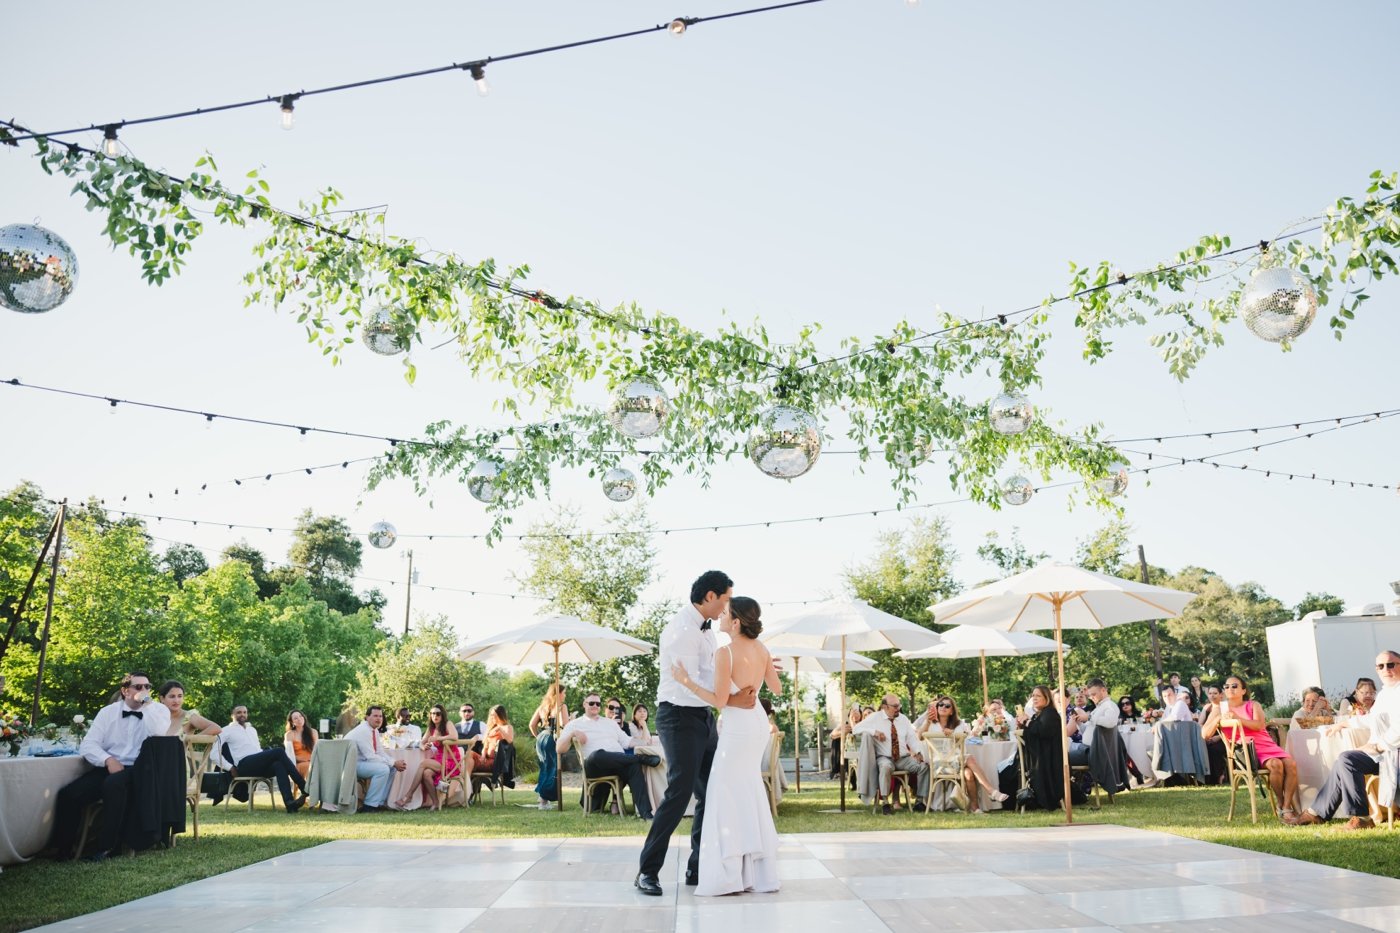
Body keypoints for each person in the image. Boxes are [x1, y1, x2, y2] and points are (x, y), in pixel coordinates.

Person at [637, 570, 758, 898]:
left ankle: (696, 867)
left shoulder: (706, 632)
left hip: (702, 718)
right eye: (726, 599)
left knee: (712, 791)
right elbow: (685, 684)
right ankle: (647, 872)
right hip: (677, 716)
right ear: (709, 596)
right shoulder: (680, 631)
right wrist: (730, 700)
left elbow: (710, 676)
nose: (727, 607)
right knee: (679, 792)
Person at [668, 595, 782, 897]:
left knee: (722, 794)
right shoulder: (763, 649)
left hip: (738, 728)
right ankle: (758, 874)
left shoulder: (725, 653)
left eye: (726, 613)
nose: (720, 616)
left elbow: (719, 702)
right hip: (757, 722)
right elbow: (777, 688)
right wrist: (765, 667)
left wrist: (685, 681)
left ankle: (730, 875)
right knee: (749, 790)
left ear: (735, 622)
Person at [49, 671, 172, 861]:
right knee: (69, 794)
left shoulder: (158, 710)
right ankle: (63, 849)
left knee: (113, 785)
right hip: (108, 766)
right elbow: (88, 744)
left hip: (140, 771)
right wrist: (107, 760)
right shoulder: (108, 712)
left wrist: (147, 704)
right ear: (124, 690)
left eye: (147, 687)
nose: (144, 690)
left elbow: (158, 731)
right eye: (138, 687)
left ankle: (106, 848)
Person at [1289, 650, 1400, 830]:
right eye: (1381, 666)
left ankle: (1356, 817)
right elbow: (1372, 719)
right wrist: (1343, 724)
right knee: (1345, 760)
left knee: (1347, 760)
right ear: (1377, 670)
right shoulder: (1385, 694)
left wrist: (1378, 746)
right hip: (1385, 753)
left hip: (1394, 754)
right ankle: (1322, 813)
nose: (1386, 669)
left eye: (1391, 664)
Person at [1202, 675, 1299, 821]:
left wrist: (1236, 718)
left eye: (1234, 686)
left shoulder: (1253, 705)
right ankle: (1281, 803)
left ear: (1243, 690)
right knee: (1275, 764)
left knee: (1291, 764)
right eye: (1227, 686)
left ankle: (1286, 806)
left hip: (1266, 744)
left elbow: (1259, 725)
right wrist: (1218, 719)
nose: (1230, 689)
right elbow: (1204, 734)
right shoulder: (1219, 709)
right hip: (1247, 750)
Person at [557, 692, 655, 818]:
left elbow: (627, 742)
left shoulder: (610, 723)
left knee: (634, 767)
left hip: (618, 763)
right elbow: (559, 749)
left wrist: (646, 743)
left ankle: (646, 814)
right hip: (594, 765)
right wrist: (572, 734)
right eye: (591, 703)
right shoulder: (575, 724)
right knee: (598, 754)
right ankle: (640, 759)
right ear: (584, 704)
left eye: (598, 703)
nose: (595, 706)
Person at [218, 705, 306, 813]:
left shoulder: (252, 730)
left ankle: (290, 804)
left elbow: (258, 750)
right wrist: (230, 767)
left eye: (245, 712)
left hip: (257, 763)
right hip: (244, 765)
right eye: (239, 712)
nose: (242, 714)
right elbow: (214, 753)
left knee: (279, 765)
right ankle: (303, 786)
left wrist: (266, 757)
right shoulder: (226, 730)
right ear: (232, 715)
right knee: (278, 751)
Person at [925, 695, 1006, 811]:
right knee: (970, 759)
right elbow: (920, 736)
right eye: (940, 704)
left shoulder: (958, 725)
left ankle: (975, 807)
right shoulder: (931, 724)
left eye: (947, 706)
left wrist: (953, 733)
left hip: (956, 761)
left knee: (968, 773)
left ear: (952, 711)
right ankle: (990, 791)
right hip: (939, 765)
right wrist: (927, 722)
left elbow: (964, 742)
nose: (943, 707)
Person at [854, 693, 930, 814]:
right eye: (894, 706)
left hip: (903, 758)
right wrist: (874, 731)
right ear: (885, 707)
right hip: (884, 757)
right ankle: (885, 803)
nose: (898, 708)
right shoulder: (875, 717)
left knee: (924, 767)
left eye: (899, 705)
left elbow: (911, 738)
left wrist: (918, 752)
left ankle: (919, 802)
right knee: (885, 767)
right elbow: (855, 729)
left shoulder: (903, 719)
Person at [395, 704, 461, 810]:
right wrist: (423, 746)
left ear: (442, 715)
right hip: (439, 760)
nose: (435, 716)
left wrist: (438, 738)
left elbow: (454, 736)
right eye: (433, 713)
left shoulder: (448, 724)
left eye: (438, 713)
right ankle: (435, 803)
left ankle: (409, 795)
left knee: (423, 763)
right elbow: (422, 742)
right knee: (426, 774)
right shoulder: (431, 728)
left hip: (451, 761)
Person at [1020, 684, 1072, 810]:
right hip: (1041, 757)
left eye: (1038, 696)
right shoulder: (1040, 714)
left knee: (1008, 772)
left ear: (1047, 698)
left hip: (1049, 760)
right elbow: (1034, 730)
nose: (1034, 698)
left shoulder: (1050, 713)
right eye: (1033, 696)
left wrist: (1027, 722)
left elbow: (1043, 731)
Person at [346, 705, 406, 812]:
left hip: (360, 763)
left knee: (391, 768)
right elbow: (371, 757)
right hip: (350, 765)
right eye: (375, 716)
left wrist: (393, 763)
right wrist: (393, 762)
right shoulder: (363, 730)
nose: (378, 719)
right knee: (383, 769)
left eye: (380, 716)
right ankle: (369, 806)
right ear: (367, 717)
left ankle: (380, 802)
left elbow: (379, 752)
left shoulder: (374, 730)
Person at [529, 684, 569, 810]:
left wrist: (538, 737)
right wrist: (571, 719)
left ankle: (542, 797)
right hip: (552, 739)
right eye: (564, 693)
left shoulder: (543, 707)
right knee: (553, 769)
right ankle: (543, 799)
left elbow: (531, 724)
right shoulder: (562, 706)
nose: (565, 695)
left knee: (544, 768)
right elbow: (565, 725)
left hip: (541, 738)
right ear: (558, 694)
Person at [1068, 679, 1119, 766]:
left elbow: (1111, 722)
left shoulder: (1110, 705)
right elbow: (1086, 731)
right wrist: (1078, 722)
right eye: (1090, 695)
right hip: (1085, 749)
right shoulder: (1098, 708)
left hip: (1093, 752)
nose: (1091, 697)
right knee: (1058, 755)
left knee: (1060, 759)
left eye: (1094, 694)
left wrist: (1089, 717)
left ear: (1103, 690)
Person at [282, 710, 316, 782]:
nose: (299, 719)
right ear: (292, 722)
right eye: (295, 718)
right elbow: (289, 755)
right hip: (298, 763)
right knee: (309, 766)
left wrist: (312, 760)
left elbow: (317, 750)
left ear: (304, 717)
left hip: (313, 761)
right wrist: (303, 759)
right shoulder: (289, 734)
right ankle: (308, 790)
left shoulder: (313, 732)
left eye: (300, 716)